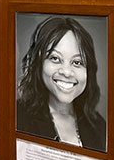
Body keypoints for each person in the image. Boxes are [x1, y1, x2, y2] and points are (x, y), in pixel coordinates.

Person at [16, 16, 106, 152]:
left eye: (77, 62)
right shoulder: (17, 117)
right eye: (55, 58)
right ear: (38, 63)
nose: (67, 72)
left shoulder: (98, 125)